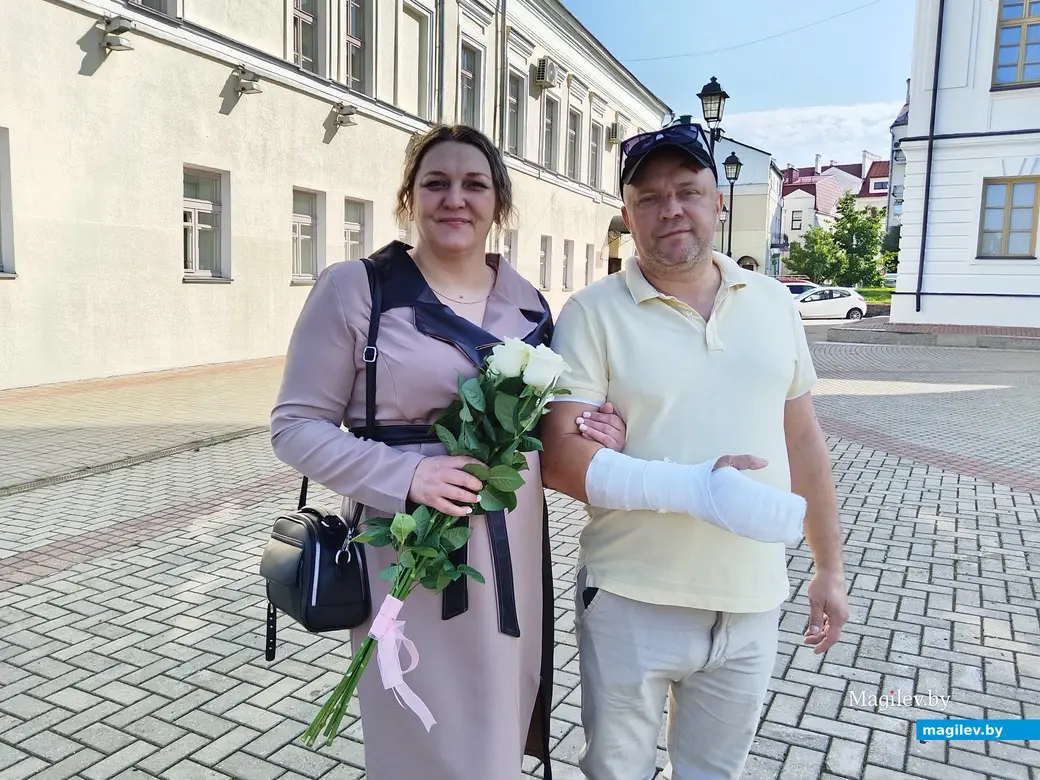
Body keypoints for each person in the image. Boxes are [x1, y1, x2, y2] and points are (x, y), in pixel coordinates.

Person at [268, 124, 625, 780]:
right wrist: (408, 474)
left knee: (495, 726)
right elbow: (293, 425)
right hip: (402, 548)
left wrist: (590, 431)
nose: (454, 199)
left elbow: (538, 427)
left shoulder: (530, 306)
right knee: (418, 732)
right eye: (436, 183)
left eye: (473, 184)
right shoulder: (357, 289)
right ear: (410, 198)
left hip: (507, 554)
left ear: (499, 204)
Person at [539, 122, 850, 780]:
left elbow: (805, 445)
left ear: (718, 201)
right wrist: (698, 489)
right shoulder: (590, 313)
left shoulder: (773, 303)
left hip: (751, 601)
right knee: (614, 773)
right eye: (648, 198)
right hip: (630, 599)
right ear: (626, 216)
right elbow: (561, 459)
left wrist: (830, 567)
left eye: (686, 190)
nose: (669, 208)